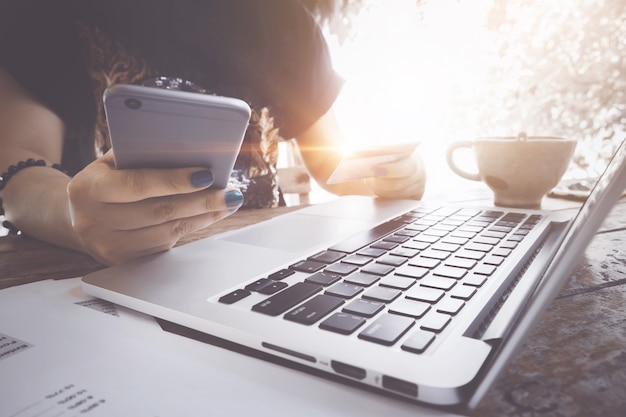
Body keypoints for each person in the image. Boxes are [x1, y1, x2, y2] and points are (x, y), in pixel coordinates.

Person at [0, 0, 426, 266]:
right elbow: (18, 175)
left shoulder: (289, 22)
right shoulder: (44, 10)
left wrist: (385, 174)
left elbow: (332, 163)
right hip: (114, 276)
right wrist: (76, 220)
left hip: (268, 270)